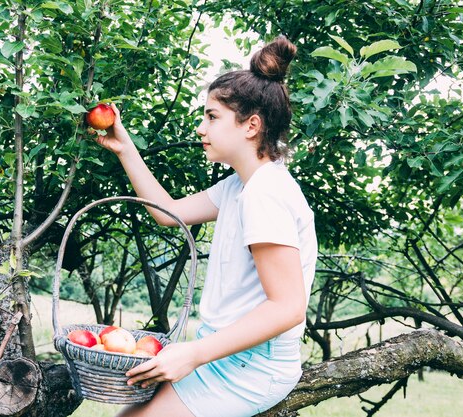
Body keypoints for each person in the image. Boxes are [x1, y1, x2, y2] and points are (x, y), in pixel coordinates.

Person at [94, 36, 317, 417]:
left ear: (251, 126)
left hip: (251, 368)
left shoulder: (265, 193)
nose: (201, 127)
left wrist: (192, 355)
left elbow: (288, 308)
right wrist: (125, 148)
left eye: (212, 117)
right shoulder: (240, 185)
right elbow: (168, 213)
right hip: (223, 353)